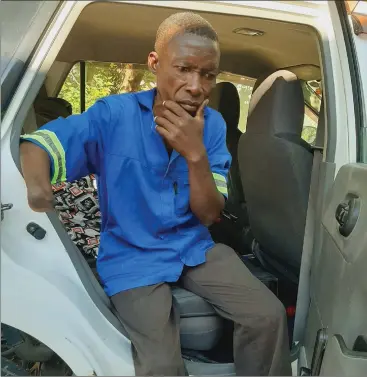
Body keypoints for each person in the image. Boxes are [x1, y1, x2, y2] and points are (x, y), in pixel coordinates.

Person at [19, 12, 291, 376]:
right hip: (131, 254)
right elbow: (37, 145)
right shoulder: (114, 115)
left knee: (268, 316)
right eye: (184, 69)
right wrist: (38, 190)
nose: (196, 85)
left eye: (208, 74)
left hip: (193, 247)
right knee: (161, 364)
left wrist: (195, 154)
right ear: (155, 63)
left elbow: (210, 215)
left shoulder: (213, 127)